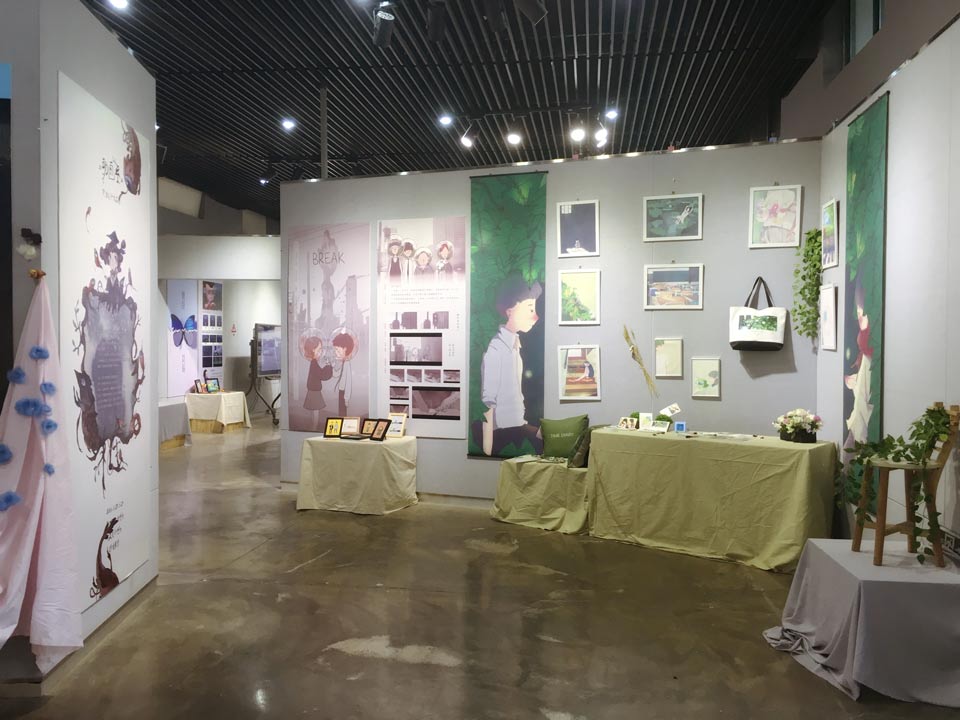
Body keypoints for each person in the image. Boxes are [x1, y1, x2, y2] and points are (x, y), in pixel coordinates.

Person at [480, 275, 543, 456]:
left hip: (517, 427)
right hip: (504, 433)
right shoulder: (496, 349)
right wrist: (488, 449)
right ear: (509, 311)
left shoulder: (515, 346)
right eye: (529, 309)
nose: (535, 316)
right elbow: (488, 404)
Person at [302, 336, 332, 429]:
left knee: (314, 410)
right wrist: (328, 366)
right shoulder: (314, 363)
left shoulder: (313, 362)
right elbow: (322, 375)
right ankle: (314, 427)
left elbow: (320, 373)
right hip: (314, 391)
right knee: (315, 410)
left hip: (313, 390)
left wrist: (327, 367)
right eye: (319, 350)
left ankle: (313, 425)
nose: (320, 352)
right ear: (313, 350)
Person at [332, 333, 355, 416]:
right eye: (335, 350)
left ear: (345, 349)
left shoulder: (347, 363)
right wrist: (333, 366)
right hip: (341, 391)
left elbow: (348, 382)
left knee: (343, 413)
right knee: (341, 412)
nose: (336, 353)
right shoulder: (343, 362)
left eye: (338, 350)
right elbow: (336, 374)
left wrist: (347, 398)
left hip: (344, 393)